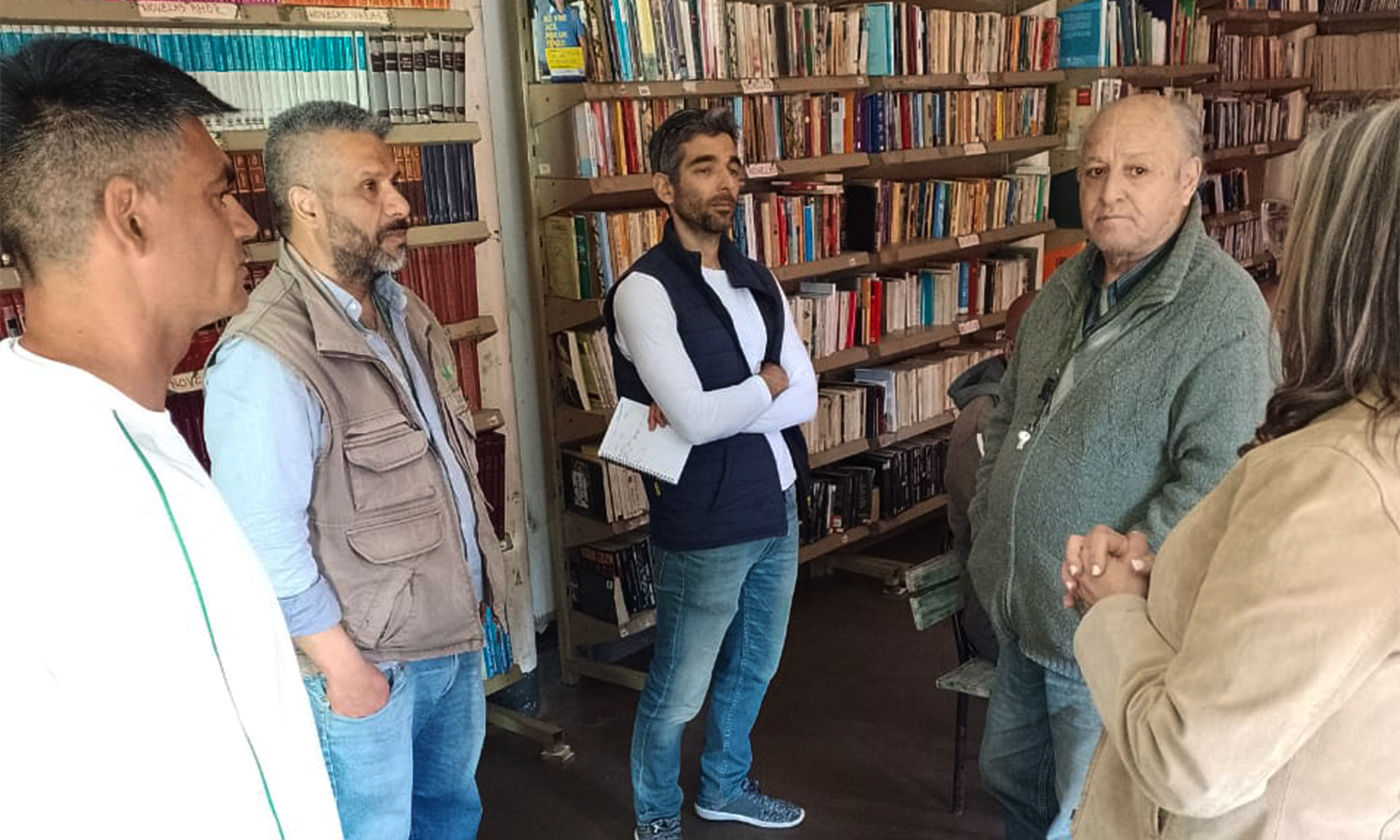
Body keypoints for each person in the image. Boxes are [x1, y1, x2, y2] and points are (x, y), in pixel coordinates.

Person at [0, 38, 340, 838]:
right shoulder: (63, 483)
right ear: (131, 215)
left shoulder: (107, 422)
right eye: (219, 191)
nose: (245, 220)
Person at [1062, 99, 1400, 840]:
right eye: (1095, 171)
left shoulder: (1343, 479)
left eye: (1300, 222)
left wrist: (1113, 604)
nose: (1287, 244)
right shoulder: (1068, 286)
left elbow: (1193, 760)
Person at [202, 101, 517, 840]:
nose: (400, 204)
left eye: (395, 182)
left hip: (449, 635)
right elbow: (262, 543)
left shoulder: (402, 309)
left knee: (448, 816)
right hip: (367, 664)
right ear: (305, 205)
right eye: (370, 187)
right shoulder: (264, 357)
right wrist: (346, 671)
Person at [965, 93, 1274, 840]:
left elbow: (1216, 486)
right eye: (1096, 170)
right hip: (1019, 613)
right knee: (1019, 795)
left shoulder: (1224, 318)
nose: (1110, 192)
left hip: (1107, 641)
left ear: (1188, 178)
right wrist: (990, 516)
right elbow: (1008, 414)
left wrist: (1117, 581)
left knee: (1089, 819)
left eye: (1137, 169)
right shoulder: (1068, 285)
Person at [604, 107, 818, 840]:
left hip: (778, 504)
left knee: (755, 667)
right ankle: (657, 812)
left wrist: (744, 399)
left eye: (732, 165)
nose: (726, 181)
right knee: (679, 687)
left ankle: (724, 787)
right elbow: (693, 420)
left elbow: (808, 394)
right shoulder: (643, 291)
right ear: (664, 187)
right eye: (704, 166)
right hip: (703, 520)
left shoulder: (757, 278)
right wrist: (767, 387)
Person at [944, 289, 1037, 664]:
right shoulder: (983, 422)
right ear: (1010, 350)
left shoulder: (1038, 402)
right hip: (995, 606)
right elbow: (991, 527)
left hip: (1035, 590)